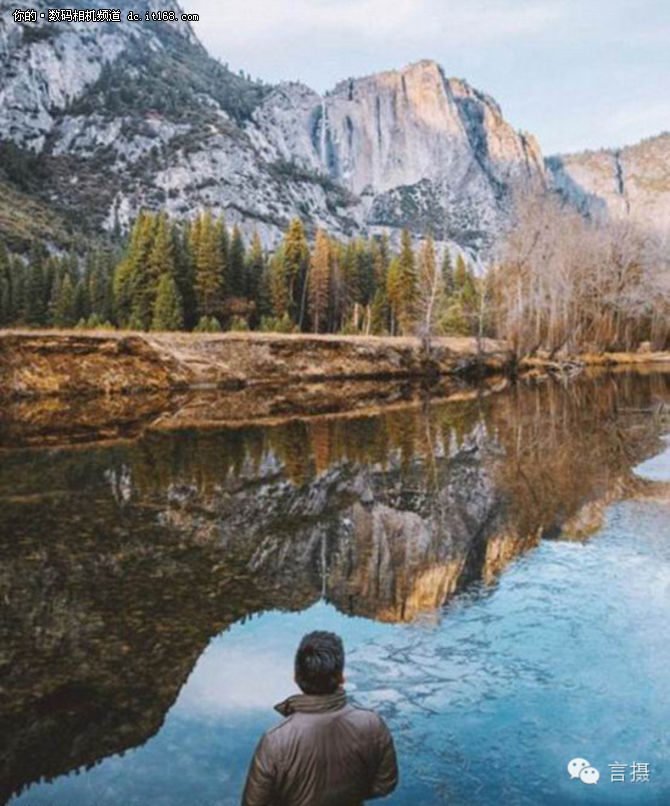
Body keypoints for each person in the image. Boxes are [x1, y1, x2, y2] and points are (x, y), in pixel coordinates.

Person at [242, 631, 398, 806]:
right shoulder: (372, 724)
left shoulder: (276, 739)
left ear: (296, 678)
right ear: (341, 678)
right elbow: (385, 785)